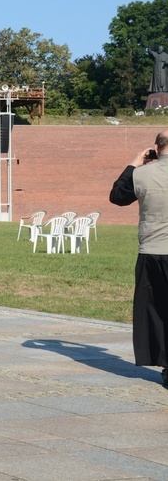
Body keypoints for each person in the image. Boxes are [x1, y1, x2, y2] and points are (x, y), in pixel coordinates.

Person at [109, 130, 168, 387]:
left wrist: (134, 162)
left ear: (156, 147)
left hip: (153, 252)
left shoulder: (141, 174)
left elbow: (117, 197)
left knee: (156, 311)